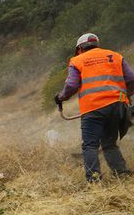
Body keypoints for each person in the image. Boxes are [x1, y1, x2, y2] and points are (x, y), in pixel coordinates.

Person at [55, 33, 134, 182]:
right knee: (109, 143)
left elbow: (71, 85)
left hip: (93, 108)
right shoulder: (115, 56)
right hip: (117, 106)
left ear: (79, 49)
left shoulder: (77, 60)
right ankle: (122, 175)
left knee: (90, 146)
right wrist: (125, 96)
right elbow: (131, 79)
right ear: (96, 44)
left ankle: (94, 181)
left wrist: (60, 98)